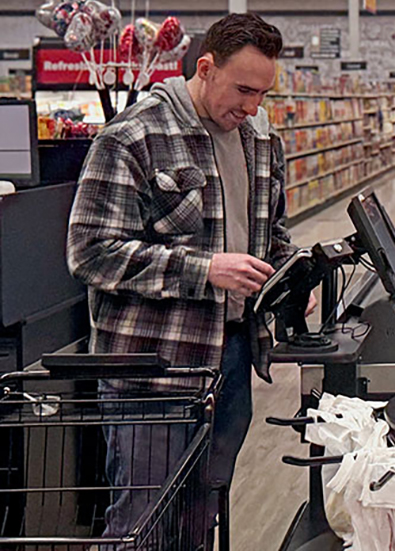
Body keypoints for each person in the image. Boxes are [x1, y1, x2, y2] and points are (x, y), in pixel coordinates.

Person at [66, 13, 314, 544]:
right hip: (153, 369)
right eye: (244, 90)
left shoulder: (259, 139)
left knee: (202, 513)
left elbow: (271, 233)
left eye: (263, 93)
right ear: (205, 68)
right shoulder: (133, 137)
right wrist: (204, 270)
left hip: (231, 358)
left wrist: (290, 277)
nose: (253, 107)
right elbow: (90, 253)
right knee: (144, 520)